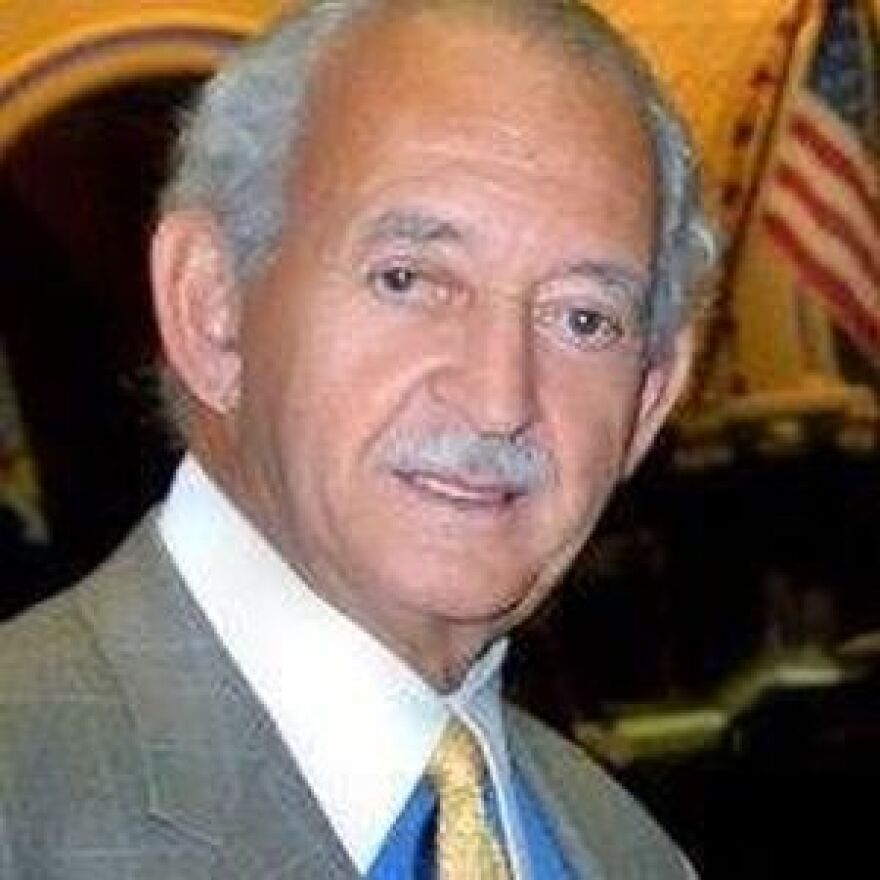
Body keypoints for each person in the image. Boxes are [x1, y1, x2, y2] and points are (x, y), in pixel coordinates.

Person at [0, 0, 715, 877]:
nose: (498, 401)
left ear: (647, 404)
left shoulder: (633, 854)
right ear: (213, 308)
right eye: (407, 279)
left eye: (583, 319)